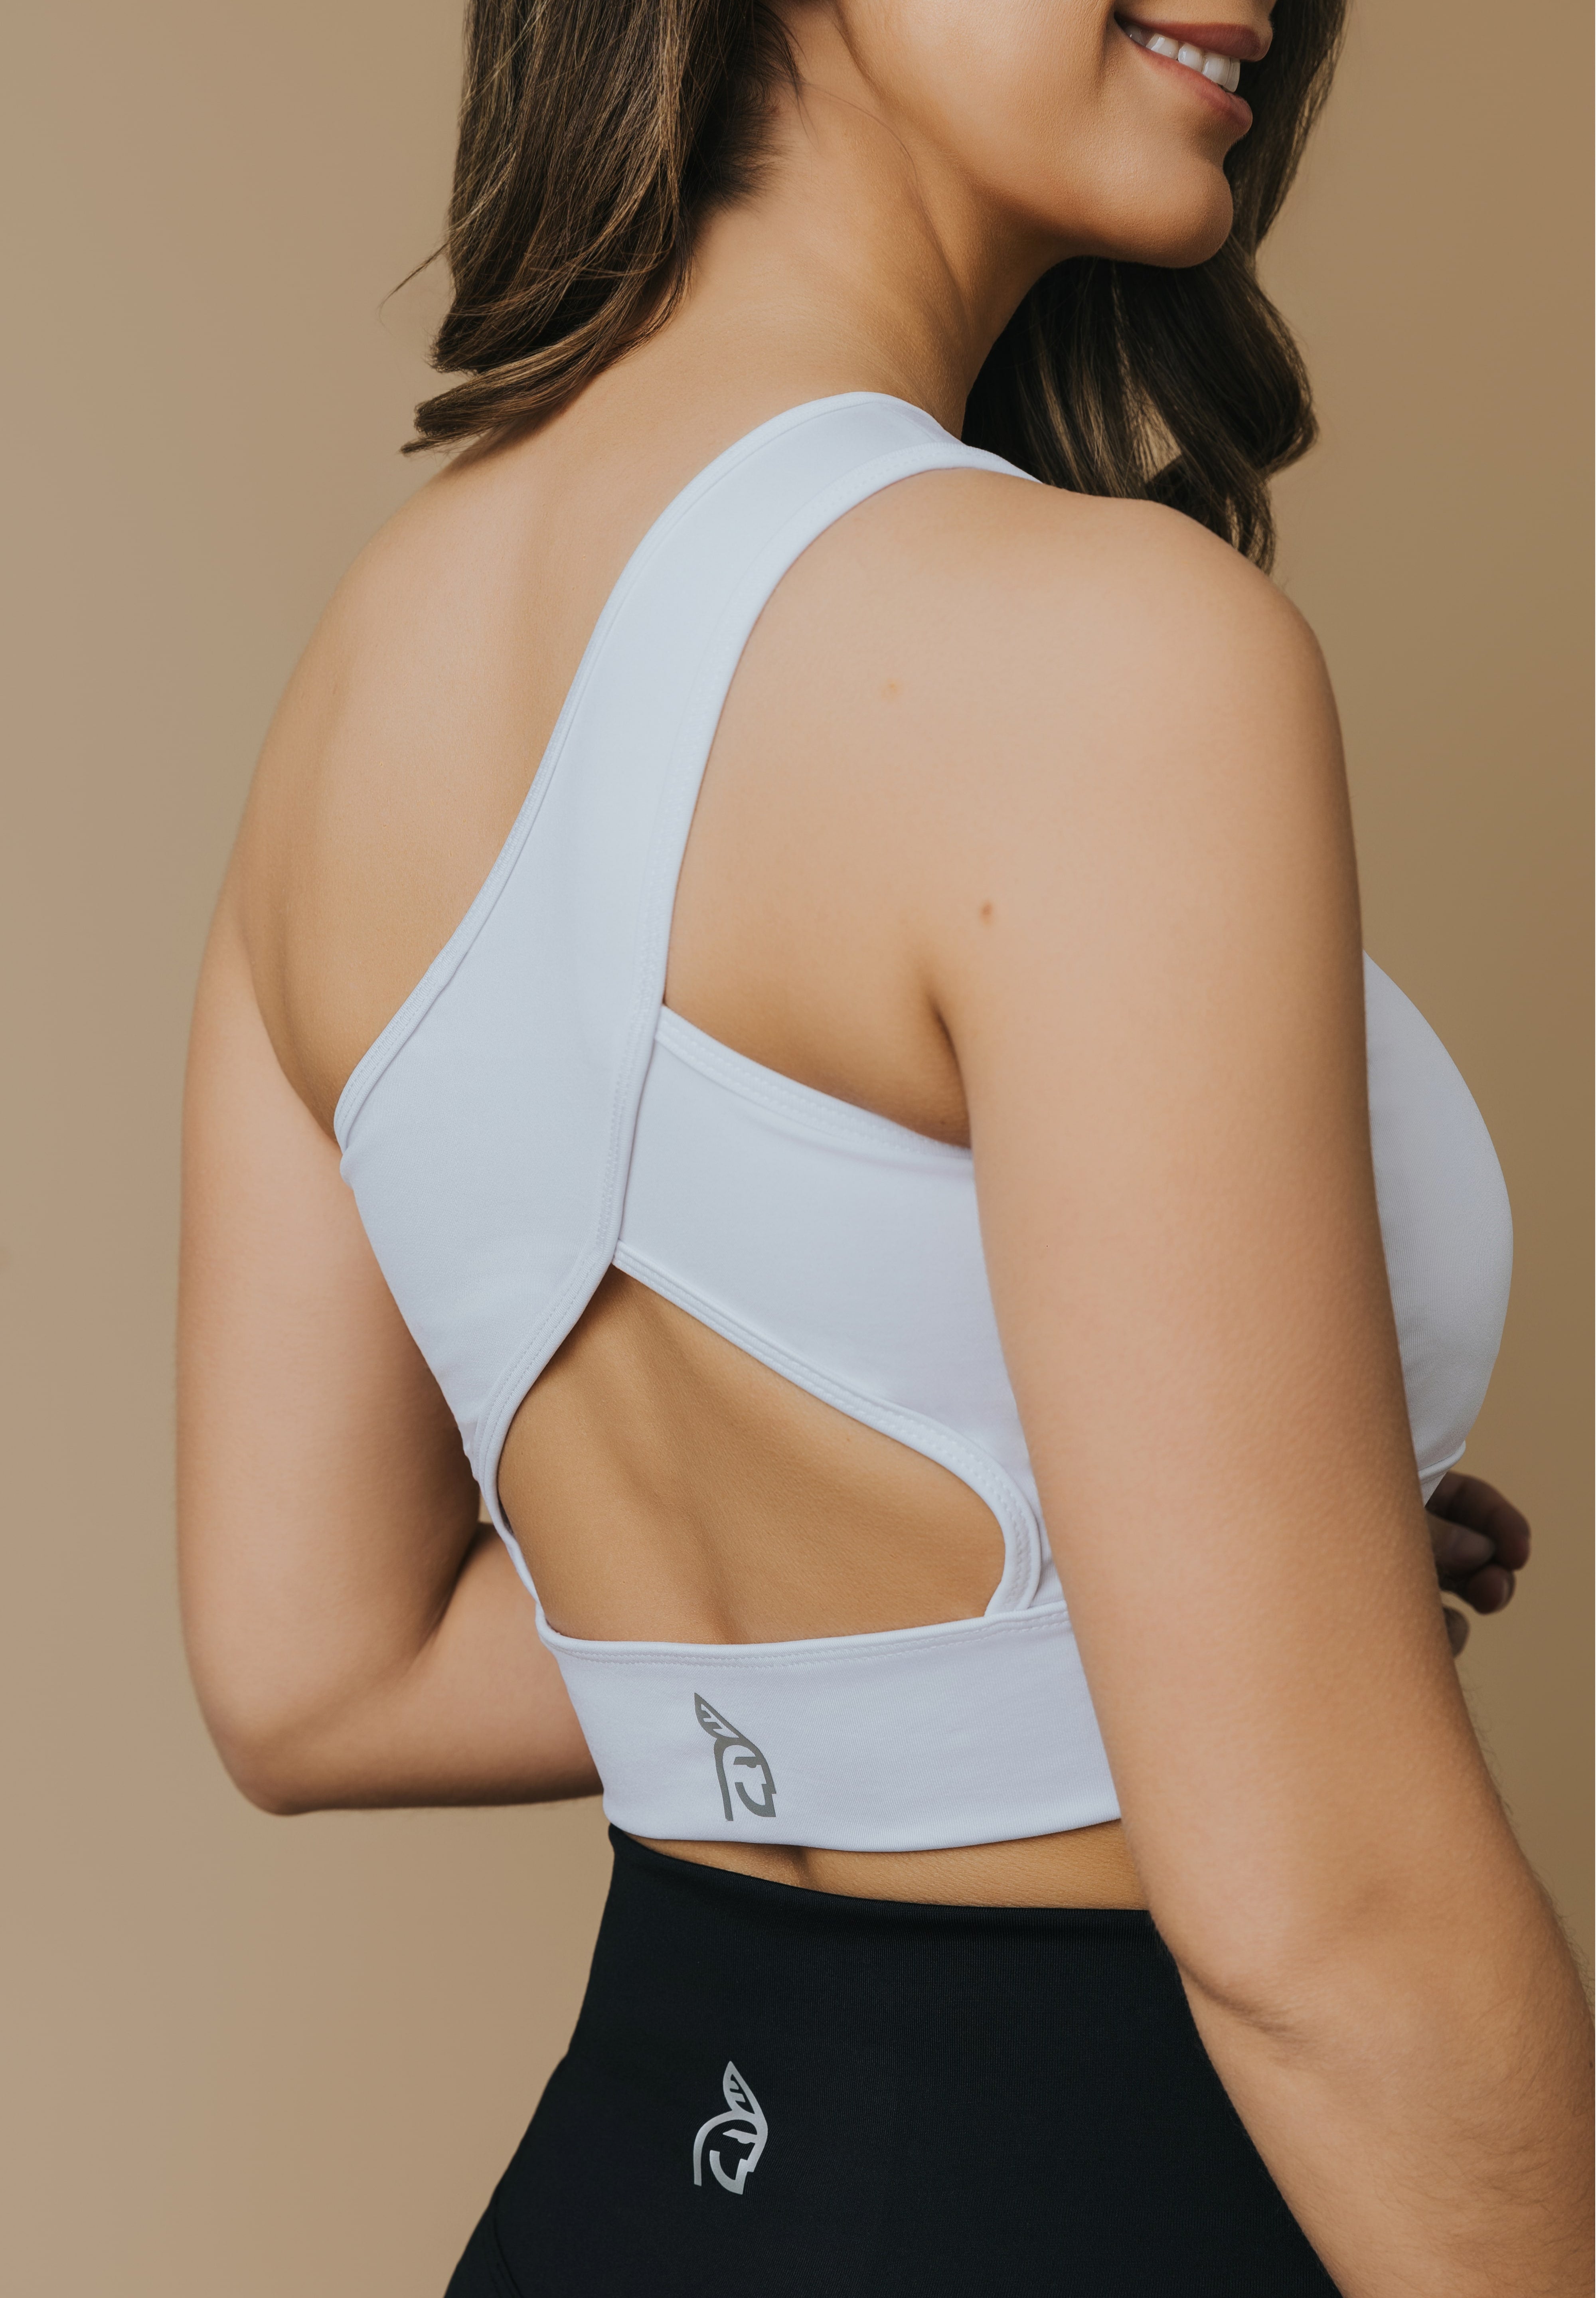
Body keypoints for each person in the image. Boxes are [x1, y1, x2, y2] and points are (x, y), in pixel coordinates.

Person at [176, 3, 1593, 2291]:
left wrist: (1219, 1572)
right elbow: (1331, 1940)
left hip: (630, 2192)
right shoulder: (1100, 654)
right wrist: (1260, 1659)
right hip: (1105, 2199)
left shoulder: (364, 682)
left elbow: (308, 1674)